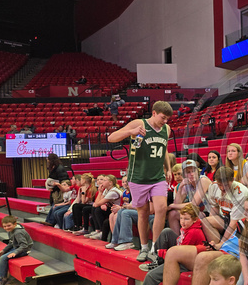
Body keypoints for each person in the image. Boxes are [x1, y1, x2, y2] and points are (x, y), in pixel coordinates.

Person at [108, 100, 173, 262]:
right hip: (138, 177)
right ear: (154, 113)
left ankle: (155, 247)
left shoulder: (166, 129)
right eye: (163, 118)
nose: (165, 122)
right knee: (143, 213)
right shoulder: (140, 123)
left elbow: (163, 149)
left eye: (167, 119)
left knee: (161, 208)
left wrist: (169, 168)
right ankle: (144, 247)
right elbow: (111, 138)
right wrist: (132, 131)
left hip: (157, 177)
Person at [140, 203, 206, 271]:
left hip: (188, 260)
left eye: (186, 219)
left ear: (195, 220)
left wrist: (163, 253)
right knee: (166, 232)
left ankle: (160, 261)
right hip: (182, 250)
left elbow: (181, 254)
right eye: (181, 218)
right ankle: (158, 260)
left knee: (150, 277)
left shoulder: (193, 232)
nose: (182, 222)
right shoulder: (188, 226)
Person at [167, 159, 212, 236]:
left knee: (189, 215)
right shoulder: (188, 185)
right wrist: (181, 186)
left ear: (197, 171)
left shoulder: (203, 180)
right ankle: (178, 240)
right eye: (188, 172)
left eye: (193, 171)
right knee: (173, 214)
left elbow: (194, 204)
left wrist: (171, 206)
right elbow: (177, 204)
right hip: (199, 212)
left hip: (211, 212)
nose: (191, 174)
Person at [0, 216, 34, 285]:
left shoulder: (18, 232)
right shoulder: (11, 231)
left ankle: (3, 279)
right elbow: (11, 243)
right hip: (16, 247)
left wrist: (15, 253)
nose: (6, 228)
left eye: (9, 225)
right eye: (4, 226)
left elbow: (24, 246)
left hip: (23, 250)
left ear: (15, 224)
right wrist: (3, 251)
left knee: (3, 258)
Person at [88, 174, 123, 241]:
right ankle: (98, 231)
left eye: (104, 180)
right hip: (111, 209)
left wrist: (101, 201)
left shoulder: (113, 192)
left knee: (98, 211)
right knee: (95, 209)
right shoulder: (106, 190)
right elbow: (96, 203)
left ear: (110, 183)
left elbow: (97, 204)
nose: (102, 182)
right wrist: (100, 192)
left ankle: (102, 233)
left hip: (118, 209)